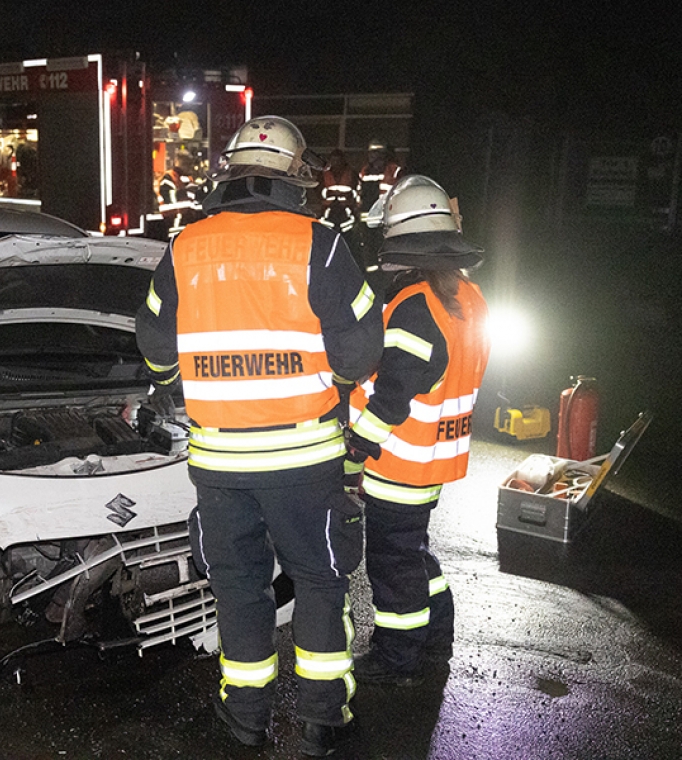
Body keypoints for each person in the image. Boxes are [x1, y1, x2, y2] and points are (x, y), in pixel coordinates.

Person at [136, 116, 384, 757]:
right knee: (321, 584)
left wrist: (180, 381)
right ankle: (322, 719)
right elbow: (359, 352)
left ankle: (245, 717)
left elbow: (155, 345)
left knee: (239, 588)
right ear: (295, 178)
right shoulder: (321, 244)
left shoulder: (186, 246)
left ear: (229, 175)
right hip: (304, 461)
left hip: (219, 463)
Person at [344, 174, 491, 687]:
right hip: (432, 458)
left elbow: (393, 395)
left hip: (398, 462)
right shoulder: (467, 298)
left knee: (392, 563)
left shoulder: (414, 306)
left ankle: (397, 655)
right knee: (413, 551)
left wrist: (355, 449)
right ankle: (436, 637)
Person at [354, 139, 403, 264]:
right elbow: (360, 191)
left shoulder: (394, 169)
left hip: (385, 215)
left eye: (375, 153)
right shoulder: (365, 171)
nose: (371, 156)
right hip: (367, 215)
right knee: (368, 244)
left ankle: (383, 268)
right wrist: (358, 208)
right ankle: (371, 269)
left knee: (383, 243)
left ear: (383, 154)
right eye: (370, 153)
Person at [319, 149, 360, 237]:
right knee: (327, 234)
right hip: (328, 211)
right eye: (333, 160)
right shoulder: (324, 174)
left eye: (338, 160)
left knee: (348, 235)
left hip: (346, 210)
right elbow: (318, 191)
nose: (336, 163)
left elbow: (356, 190)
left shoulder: (351, 173)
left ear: (343, 160)